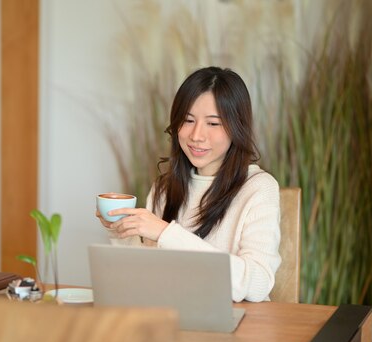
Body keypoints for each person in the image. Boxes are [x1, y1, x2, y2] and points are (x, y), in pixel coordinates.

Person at [96, 66, 281, 302]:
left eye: (213, 123)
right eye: (188, 120)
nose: (196, 135)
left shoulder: (259, 188)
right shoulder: (164, 188)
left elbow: (257, 284)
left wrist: (165, 233)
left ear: (237, 127)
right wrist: (120, 229)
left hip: (237, 328)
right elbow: (145, 278)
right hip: (172, 320)